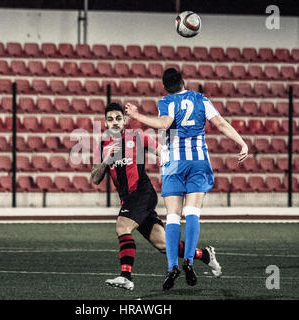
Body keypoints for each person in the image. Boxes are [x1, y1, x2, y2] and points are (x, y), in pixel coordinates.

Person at [125, 68, 248, 290]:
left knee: (172, 216)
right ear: (184, 81)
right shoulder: (201, 99)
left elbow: (164, 124)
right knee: (192, 212)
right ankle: (189, 260)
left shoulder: (167, 101)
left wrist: (136, 115)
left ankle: (173, 266)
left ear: (165, 87)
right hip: (198, 161)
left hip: (173, 162)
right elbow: (220, 123)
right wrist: (242, 143)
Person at [91, 102, 220, 291]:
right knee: (165, 245)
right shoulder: (102, 145)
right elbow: (95, 178)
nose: (115, 122)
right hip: (129, 199)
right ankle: (205, 255)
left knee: (122, 226)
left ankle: (126, 276)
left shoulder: (137, 137)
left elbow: (164, 152)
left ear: (125, 120)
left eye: (118, 118)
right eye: (110, 119)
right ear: (105, 123)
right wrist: (105, 160)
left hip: (142, 193)